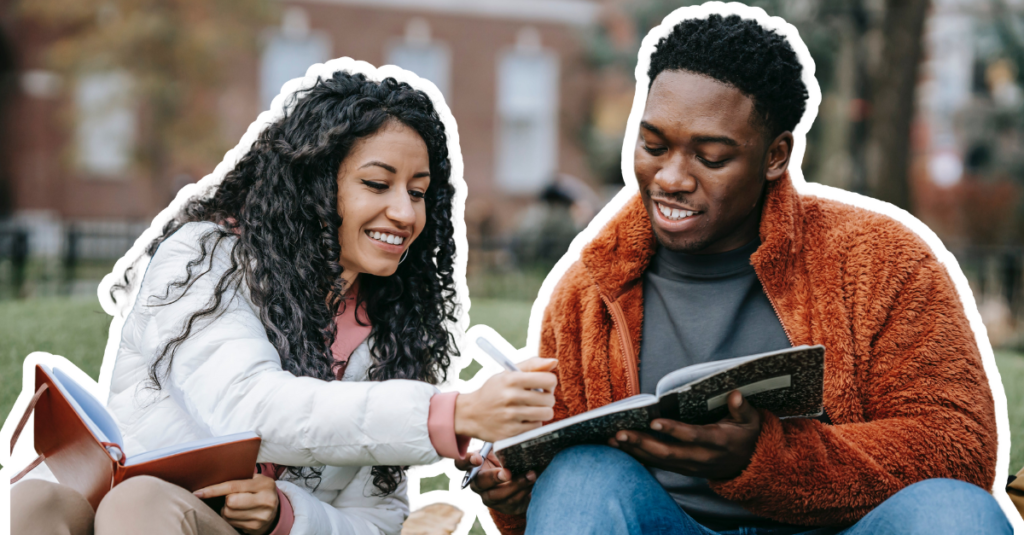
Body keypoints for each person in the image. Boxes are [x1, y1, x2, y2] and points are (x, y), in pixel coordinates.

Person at [458, 12, 1010, 535]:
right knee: (578, 475)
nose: (670, 178)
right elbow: (571, 509)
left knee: (955, 510)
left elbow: (956, 445)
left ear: (775, 155)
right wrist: (512, 493)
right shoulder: (590, 291)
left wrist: (769, 460)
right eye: (653, 145)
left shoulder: (882, 261)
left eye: (712, 157)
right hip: (665, 522)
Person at [10, 67, 557, 535]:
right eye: (377, 184)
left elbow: (378, 520)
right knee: (37, 502)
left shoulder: (392, 325)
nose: (406, 213)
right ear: (315, 185)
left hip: (159, 515)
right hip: (137, 509)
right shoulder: (207, 259)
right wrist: (451, 414)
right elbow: (249, 408)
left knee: (139, 504)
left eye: (417, 192)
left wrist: (288, 513)